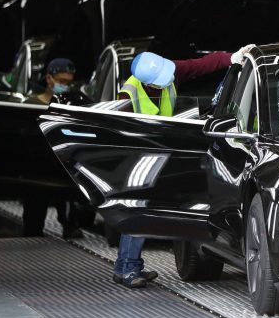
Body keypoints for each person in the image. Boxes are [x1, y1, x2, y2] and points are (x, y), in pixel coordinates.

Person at [113, 46, 250, 287]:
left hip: (161, 151)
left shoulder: (166, 71)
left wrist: (232, 58)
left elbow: (200, 65)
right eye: (161, 83)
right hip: (138, 156)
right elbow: (121, 131)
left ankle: (128, 266)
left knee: (144, 210)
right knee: (138, 210)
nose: (168, 82)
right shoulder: (128, 94)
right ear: (149, 83)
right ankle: (127, 269)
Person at [21, 58, 86, 239]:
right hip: (36, 166)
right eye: (61, 81)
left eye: (68, 82)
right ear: (49, 79)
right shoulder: (31, 104)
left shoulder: (72, 105)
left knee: (67, 201)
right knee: (33, 218)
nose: (65, 86)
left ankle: (70, 225)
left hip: (62, 164)